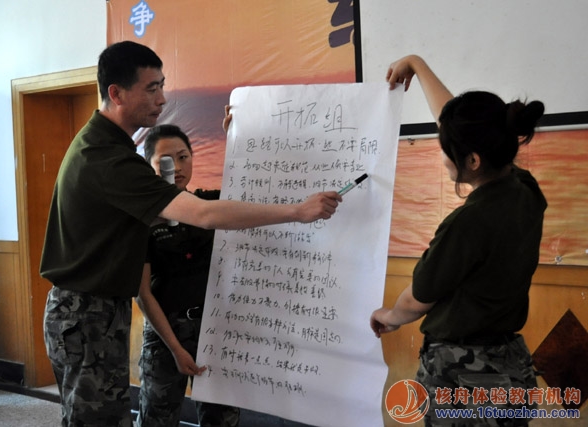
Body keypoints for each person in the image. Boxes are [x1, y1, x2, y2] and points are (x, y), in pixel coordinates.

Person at [40, 40, 341, 427]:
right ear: (116, 93)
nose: (162, 99)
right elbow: (203, 213)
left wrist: (239, 145)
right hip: (86, 313)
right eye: (151, 88)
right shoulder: (107, 159)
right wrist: (297, 212)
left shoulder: (106, 147)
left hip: (97, 311)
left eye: (162, 86)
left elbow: (211, 204)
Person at [370, 55, 547, 426]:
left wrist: (389, 316)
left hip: (463, 376)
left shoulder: (468, 223)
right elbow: (460, 125)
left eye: (445, 148)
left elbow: (417, 299)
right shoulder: (524, 189)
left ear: (473, 161)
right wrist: (417, 65)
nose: (442, 154)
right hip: (511, 367)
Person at [135, 124, 240, 427]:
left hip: (214, 330)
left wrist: (236, 132)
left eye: (183, 157)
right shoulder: (143, 221)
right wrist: (176, 349)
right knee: (157, 419)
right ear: (150, 165)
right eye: (166, 160)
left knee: (222, 418)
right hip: (165, 335)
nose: (177, 167)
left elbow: (246, 187)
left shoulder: (209, 204)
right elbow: (143, 294)